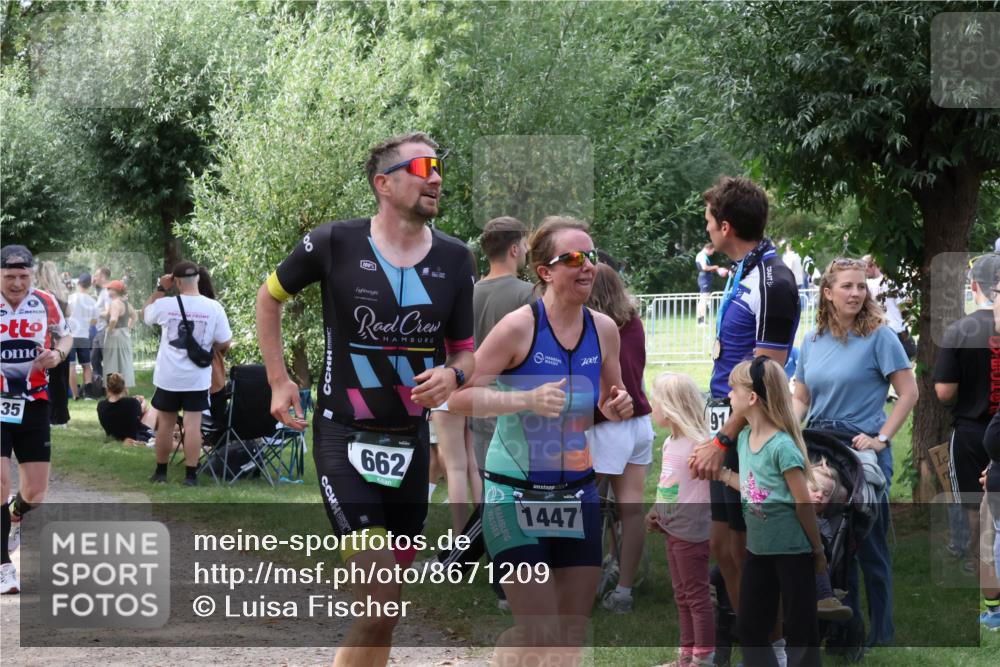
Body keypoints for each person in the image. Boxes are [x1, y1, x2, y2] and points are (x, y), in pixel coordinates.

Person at [255, 132, 475, 667]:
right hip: (342, 438)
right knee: (378, 604)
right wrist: (279, 380)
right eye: (422, 166)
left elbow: (465, 351)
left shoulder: (455, 257)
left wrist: (454, 375)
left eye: (438, 166)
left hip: (410, 448)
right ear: (384, 183)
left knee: (387, 612)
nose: (436, 177)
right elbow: (269, 297)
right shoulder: (334, 242)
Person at [449, 216, 634, 664]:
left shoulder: (604, 330)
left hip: (577, 493)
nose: (587, 266)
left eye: (590, 256)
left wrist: (614, 408)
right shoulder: (518, 327)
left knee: (568, 638)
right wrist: (524, 399)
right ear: (545, 271)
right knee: (539, 633)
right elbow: (459, 398)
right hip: (514, 493)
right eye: (572, 257)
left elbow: (609, 398)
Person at [688, 177, 800, 657]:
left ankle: (771, 648)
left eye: (709, 222)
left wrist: (722, 440)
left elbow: (764, 374)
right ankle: (756, 643)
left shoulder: (774, 279)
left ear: (726, 226)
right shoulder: (742, 269)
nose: (707, 230)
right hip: (726, 422)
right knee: (726, 547)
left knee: (756, 550)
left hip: (753, 431)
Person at [792, 257, 918, 647]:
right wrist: (790, 433)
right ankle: (838, 630)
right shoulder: (810, 342)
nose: (856, 293)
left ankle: (882, 634)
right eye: (847, 286)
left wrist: (881, 437)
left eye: (861, 286)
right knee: (823, 542)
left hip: (862, 451)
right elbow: (801, 397)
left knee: (869, 546)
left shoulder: (880, 336)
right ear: (827, 293)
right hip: (819, 448)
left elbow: (909, 392)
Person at [719, 357, 823, 667]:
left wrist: (817, 549)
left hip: (793, 553)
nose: (728, 395)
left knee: (800, 629)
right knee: (750, 626)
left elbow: (803, 503)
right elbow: (756, 489)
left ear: (751, 398)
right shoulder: (745, 440)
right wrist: (723, 476)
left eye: (733, 390)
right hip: (759, 551)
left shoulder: (782, 446)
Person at [1, 245, 72, 595]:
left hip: (34, 401)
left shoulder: (45, 301)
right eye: (9, 276)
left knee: (36, 491)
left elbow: (67, 334)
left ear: (32, 274)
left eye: (23, 276)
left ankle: (14, 514)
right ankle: (3, 567)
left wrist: (58, 354)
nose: (16, 283)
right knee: (0, 481)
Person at [585, 263, 655, 613]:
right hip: (640, 422)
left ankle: (585, 582)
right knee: (631, 510)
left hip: (607, 422)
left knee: (586, 507)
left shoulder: (592, 328)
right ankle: (623, 591)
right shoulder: (634, 323)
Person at [933, 254, 1000, 615]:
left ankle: (984, 574)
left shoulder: (960, 330)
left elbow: (943, 392)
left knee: (974, 506)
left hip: (973, 431)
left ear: (975, 287)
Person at [645, 372, 714, 666]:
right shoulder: (672, 443)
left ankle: (703, 658)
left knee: (696, 596)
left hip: (691, 532)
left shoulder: (699, 445)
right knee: (681, 594)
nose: (652, 407)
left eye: (656, 402)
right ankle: (686, 655)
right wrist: (656, 511)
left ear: (671, 407)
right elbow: (668, 484)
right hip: (672, 529)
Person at [143, 260, 232, 486]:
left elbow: (146, 314)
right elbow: (225, 341)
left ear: (178, 282)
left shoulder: (166, 304)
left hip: (168, 377)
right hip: (197, 377)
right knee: (193, 425)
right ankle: (191, 476)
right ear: (198, 279)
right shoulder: (214, 307)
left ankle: (161, 472)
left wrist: (161, 288)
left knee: (165, 424)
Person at [34, 261, 72, 427]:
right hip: (64, 341)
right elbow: (69, 314)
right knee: (61, 382)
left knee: (50, 382)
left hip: (50, 341)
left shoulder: (44, 296)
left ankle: (52, 418)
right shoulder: (62, 293)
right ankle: (62, 418)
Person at [863, 255, 916, 360]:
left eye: (865, 268)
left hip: (896, 330)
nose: (863, 271)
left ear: (873, 265)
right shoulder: (864, 285)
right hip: (879, 331)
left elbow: (903, 307)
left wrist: (906, 326)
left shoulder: (890, 282)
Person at [97, 372, 157, 445]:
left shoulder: (101, 406)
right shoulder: (132, 403)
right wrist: (142, 400)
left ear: (107, 388)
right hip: (134, 436)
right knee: (154, 410)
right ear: (124, 387)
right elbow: (142, 409)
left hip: (116, 436)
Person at [66, 273, 97, 400]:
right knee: (86, 365)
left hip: (70, 335)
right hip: (84, 335)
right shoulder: (92, 300)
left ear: (78, 283)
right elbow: (94, 321)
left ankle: (75, 395)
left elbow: (65, 315)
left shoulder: (70, 298)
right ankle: (88, 394)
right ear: (89, 285)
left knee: (71, 366)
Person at [102, 279, 136, 389]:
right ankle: (125, 389)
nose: (107, 290)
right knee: (124, 363)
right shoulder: (126, 304)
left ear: (115, 291)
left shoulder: (115, 303)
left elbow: (113, 320)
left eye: (109, 288)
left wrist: (110, 330)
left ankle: (113, 390)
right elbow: (135, 317)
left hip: (115, 335)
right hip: (124, 334)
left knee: (112, 363)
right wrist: (128, 328)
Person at [695, 242, 727, 327]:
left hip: (706, 279)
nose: (712, 253)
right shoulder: (701, 255)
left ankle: (702, 320)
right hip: (704, 279)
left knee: (704, 300)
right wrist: (715, 267)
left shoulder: (703, 255)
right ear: (709, 249)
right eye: (712, 251)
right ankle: (700, 321)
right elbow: (704, 267)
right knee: (703, 300)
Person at [90, 266, 112, 387]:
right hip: (99, 331)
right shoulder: (102, 291)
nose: (94, 277)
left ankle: (112, 387)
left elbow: (108, 312)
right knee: (94, 359)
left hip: (105, 330)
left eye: (96, 275)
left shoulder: (107, 292)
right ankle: (101, 385)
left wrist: (95, 313)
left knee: (107, 360)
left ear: (103, 277)